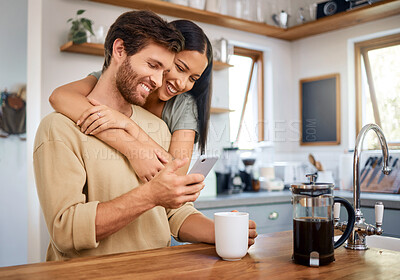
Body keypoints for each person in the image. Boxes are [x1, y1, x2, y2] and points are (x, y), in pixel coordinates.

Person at [34, 10, 257, 261]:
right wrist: (150, 194)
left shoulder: (161, 128)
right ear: (119, 50)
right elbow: (66, 232)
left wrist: (220, 231)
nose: (158, 80)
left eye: (164, 71)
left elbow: (173, 212)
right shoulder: (59, 129)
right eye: (153, 65)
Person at [49, 20, 213, 182]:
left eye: (193, 78)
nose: (182, 83)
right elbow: (60, 97)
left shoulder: (183, 106)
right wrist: (131, 147)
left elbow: (177, 173)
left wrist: (128, 125)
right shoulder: (123, 79)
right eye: (180, 68)